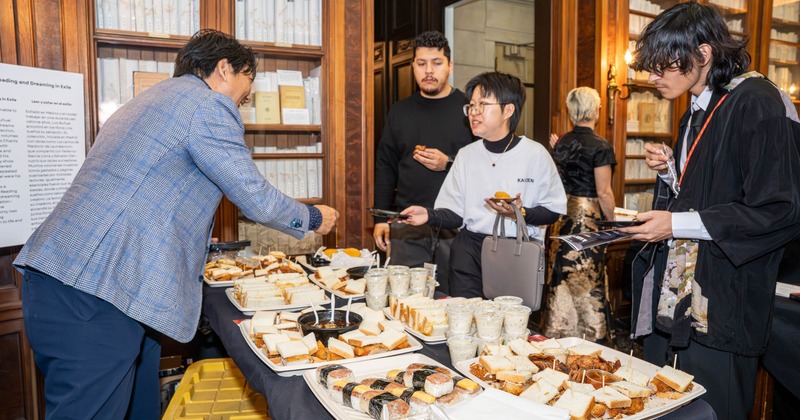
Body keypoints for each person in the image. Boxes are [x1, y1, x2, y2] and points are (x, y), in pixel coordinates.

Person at [13, 30, 339, 419]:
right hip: (95, 295)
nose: (243, 101)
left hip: (82, 284)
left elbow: (144, 192)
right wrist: (314, 217)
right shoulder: (206, 104)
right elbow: (253, 195)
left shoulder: (149, 101)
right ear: (223, 69)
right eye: (245, 89)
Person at [623, 3, 800, 419]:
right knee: (666, 404)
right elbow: (713, 188)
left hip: (724, 298)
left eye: (662, 66)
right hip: (682, 290)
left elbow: (780, 210)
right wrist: (672, 171)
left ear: (703, 54)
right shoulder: (699, 108)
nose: (652, 78)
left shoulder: (758, 102)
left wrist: (675, 223)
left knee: (713, 408)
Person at [399, 72, 566, 298]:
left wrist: (520, 212)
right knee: (463, 324)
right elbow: (456, 214)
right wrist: (428, 215)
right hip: (468, 251)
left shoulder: (535, 154)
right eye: (472, 105)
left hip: (514, 252)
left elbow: (553, 211)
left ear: (508, 110)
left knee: (508, 327)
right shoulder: (466, 155)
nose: (474, 112)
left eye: (483, 104)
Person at [373, 31, 473, 294]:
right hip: (408, 226)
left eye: (437, 63)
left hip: (457, 227)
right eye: (421, 63)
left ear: (450, 66)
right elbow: (385, 165)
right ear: (413, 67)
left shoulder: (468, 110)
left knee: (455, 304)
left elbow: (484, 167)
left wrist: (448, 163)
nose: (429, 70)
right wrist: (382, 217)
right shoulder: (400, 111)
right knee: (404, 300)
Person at [544, 87, 616, 342]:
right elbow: (604, 192)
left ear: (571, 111)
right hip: (587, 220)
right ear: (595, 110)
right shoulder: (601, 146)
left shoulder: (561, 143)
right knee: (587, 276)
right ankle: (591, 334)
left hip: (562, 218)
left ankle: (558, 331)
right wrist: (611, 223)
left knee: (562, 276)